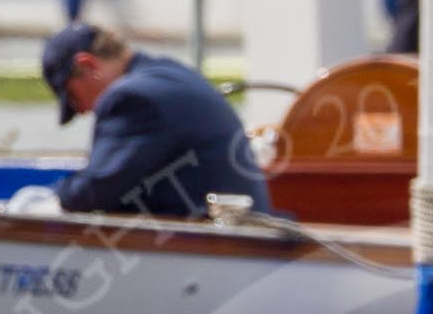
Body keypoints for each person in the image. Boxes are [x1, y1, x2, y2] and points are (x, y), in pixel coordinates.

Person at [39, 23, 272, 218]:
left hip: (213, 247)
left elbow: (93, 192)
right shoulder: (171, 72)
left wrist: (46, 200)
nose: (81, 111)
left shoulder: (131, 99)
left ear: (88, 65)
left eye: (73, 98)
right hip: (235, 236)